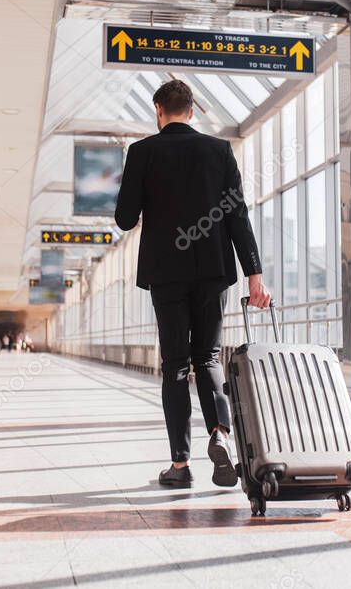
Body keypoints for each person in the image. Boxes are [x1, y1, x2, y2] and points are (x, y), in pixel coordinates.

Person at [115, 79, 270, 489]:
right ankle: (219, 432)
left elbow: (124, 218)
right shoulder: (219, 151)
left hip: (166, 273)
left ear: (158, 112)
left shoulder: (142, 153)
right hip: (212, 269)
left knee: (175, 366)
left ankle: (180, 467)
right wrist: (255, 273)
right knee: (208, 359)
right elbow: (238, 216)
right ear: (193, 111)